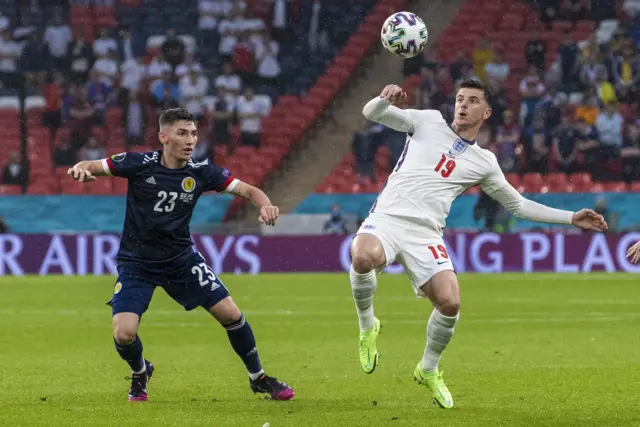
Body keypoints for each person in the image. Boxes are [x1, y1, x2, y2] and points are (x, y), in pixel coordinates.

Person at [351, 80, 608, 409]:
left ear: (485, 112)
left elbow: (519, 206)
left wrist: (571, 218)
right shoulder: (427, 121)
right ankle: (367, 324)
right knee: (363, 255)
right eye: (459, 99)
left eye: (472, 101)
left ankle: (428, 369)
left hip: (426, 234)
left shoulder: (483, 162)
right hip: (387, 218)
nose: (462, 105)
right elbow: (371, 113)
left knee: (450, 303)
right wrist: (384, 99)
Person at [66, 108, 294, 403]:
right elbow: (88, 165)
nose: (190, 140)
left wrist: (265, 204)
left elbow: (250, 190)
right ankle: (140, 371)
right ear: (164, 137)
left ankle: (259, 378)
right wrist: (80, 169)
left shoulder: (201, 172)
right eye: (182, 133)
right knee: (124, 333)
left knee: (231, 315)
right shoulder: (138, 164)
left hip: (181, 260)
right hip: (137, 263)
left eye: (194, 133)